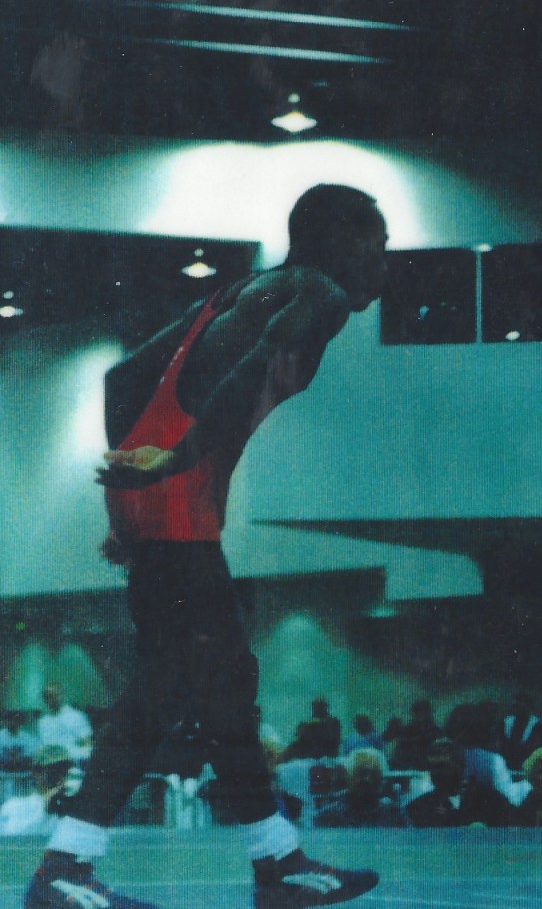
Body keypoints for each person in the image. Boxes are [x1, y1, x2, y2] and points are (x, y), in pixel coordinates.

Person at [24, 184, 388, 909]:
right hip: (177, 493)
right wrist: (176, 460)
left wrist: (129, 495)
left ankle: (275, 861)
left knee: (221, 686)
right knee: (171, 688)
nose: (384, 263)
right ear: (342, 242)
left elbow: (121, 379)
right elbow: (255, 366)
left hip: (157, 491)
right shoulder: (320, 294)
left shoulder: (234, 292)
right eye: (378, 245)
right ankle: (66, 866)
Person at [35, 686, 92, 763]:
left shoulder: (76, 716)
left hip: (72, 762)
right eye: (46, 697)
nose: (50, 700)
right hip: (48, 764)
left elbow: (87, 746)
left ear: (61, 695)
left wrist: (67, 755)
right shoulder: (42, 722)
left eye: (53, 695)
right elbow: (42, 746)